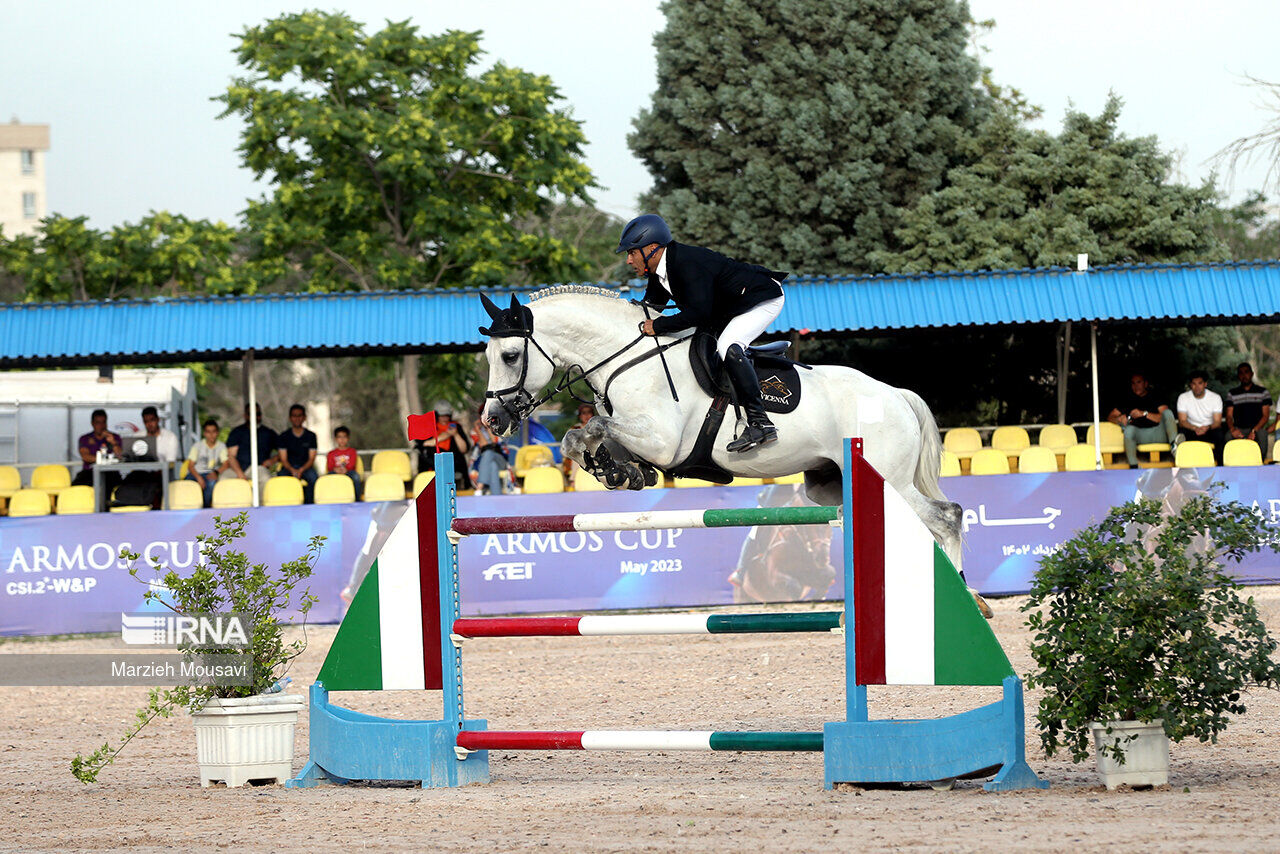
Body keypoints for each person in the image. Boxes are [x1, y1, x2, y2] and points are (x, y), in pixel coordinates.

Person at [618, 213, 787, 453]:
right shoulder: (659, 271)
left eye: (632, 252)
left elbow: (698, 314)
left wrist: (659, 327)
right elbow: (650, 308)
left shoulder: (686, 263)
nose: (628, 260)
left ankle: (760, 422)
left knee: (728, 345)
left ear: (652, 249)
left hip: (761, 298)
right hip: (729, 306)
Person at [1107, 373, 1177, 467]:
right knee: (1129, 430)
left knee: (1168, 412)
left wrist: (1144, 413)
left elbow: (1165, 417)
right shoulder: (1127, 399)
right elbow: (1110, 417)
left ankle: (1175, 446)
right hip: (1140, 435)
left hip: (1158, 433)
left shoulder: (1156, 396)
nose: (1136, 386)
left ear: (1145, 384)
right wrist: (1118, 419)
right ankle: (1134, 466)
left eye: (1139, 382)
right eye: (1133, 383)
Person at [413, 401, 472, 493]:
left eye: (447, 415)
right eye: (442, 415)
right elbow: (425, 444)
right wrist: (447, 435)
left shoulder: (456, 427)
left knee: (460, 460)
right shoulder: (429, 427)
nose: (444, 418)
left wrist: (455, 435)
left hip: (454, 461)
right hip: (433, 461)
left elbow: (464, 449)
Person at [73, 409, 123, 508]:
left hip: (110, 472)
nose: (101, 426)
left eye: (103, 422)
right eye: (98, 423)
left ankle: (107, 509)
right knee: (76, 486)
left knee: (116, 485)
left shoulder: (114, 437)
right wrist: (104, 459)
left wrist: (113, 443)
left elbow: (121, 456)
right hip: (90, 472)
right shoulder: (85, 438)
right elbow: (85, 456)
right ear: (92, 423)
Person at [1176, 370, 1227, 461]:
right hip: (1191, 429)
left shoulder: (1215, 398)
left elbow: (1217, 422)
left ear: (1205, 384)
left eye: (1200, 383)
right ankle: (1183, 467)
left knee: (1219, 434)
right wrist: (1195, 428)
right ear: (1190, 385)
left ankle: (1220, 466)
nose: (1197, 387)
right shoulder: (1183, 398)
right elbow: (1182, 421)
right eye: (1194, 384)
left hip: (1209, 429)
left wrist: (1207, 427)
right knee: (1181, 433)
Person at [1226, 362, 1271, 463]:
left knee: (1263, 434)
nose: (1244, 375)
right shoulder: (1232, 393)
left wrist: (1254, 431)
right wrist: (1233, 429)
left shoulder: (1263, 392)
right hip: (1239, 428)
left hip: (1257, 428)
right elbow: (1229, 416)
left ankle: (1260, 464)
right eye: (1241, 373)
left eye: (1246, 372)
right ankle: (1230, 465)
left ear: (1252, 373)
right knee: (1228, 435)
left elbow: (1265, 416)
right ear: (1238, 376)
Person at [277, 404, 319, 502]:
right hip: (288, 468)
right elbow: (283, 459)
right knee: (280, 480)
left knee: (314, 479)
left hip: (306, 468)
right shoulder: (283, 436)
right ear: (290, 418)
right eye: (294, 416)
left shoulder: (311, 436)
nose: (297, 418)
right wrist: (292, 470)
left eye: (299, 415)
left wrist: (301, 469)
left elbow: (311, 459)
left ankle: (309, 505)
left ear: (304, 417)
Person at [226, 404, 278, 484]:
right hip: (237, 468)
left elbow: (283, 450)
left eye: (258, 414)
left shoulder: (268, 433)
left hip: (259, 468)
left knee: (266, 479)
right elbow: (231, 456)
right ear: (245, 415)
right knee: (223, 479)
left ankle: (261, 497)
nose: (255, 417)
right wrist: (240, 473)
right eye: (251, 414)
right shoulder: (237, 432)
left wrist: (272, 460)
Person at [185, 418, 229, 507]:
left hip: (210, 473)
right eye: (208, 432)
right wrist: (198, 478)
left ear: (217, 433)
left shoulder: (221, 446)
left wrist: (216, 473)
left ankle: (205, 508)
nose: (211, 435)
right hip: (195, 473)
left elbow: (226, 464)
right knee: (187, 486)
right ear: (204, 433)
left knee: (211, 483)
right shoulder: (197, 446)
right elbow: (190, 466)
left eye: (213, 432)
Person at [470, 405, 510, 495]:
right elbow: (483, 445)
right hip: (482, 462)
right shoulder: (474, 431)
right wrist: (478, 430)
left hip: (500, 459)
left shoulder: (499, 428)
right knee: (492, 465)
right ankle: (497, 496)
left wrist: (489, 427)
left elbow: (494, 442)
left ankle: (479, 487)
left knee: (489, 453)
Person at [326, 425, 362, 498]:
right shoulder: (331, 453)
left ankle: (357, 499)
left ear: (348, 438)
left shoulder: (352, 451)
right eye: (339, 437)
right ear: (336, 439)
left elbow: (352, 464)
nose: (342, 439)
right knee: (327, 477)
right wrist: (336, 469)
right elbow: (329, 466)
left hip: (349, 471)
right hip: (335, 471)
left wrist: (346, 469)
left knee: (355, 477)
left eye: (344, 437)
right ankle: (329, 498)